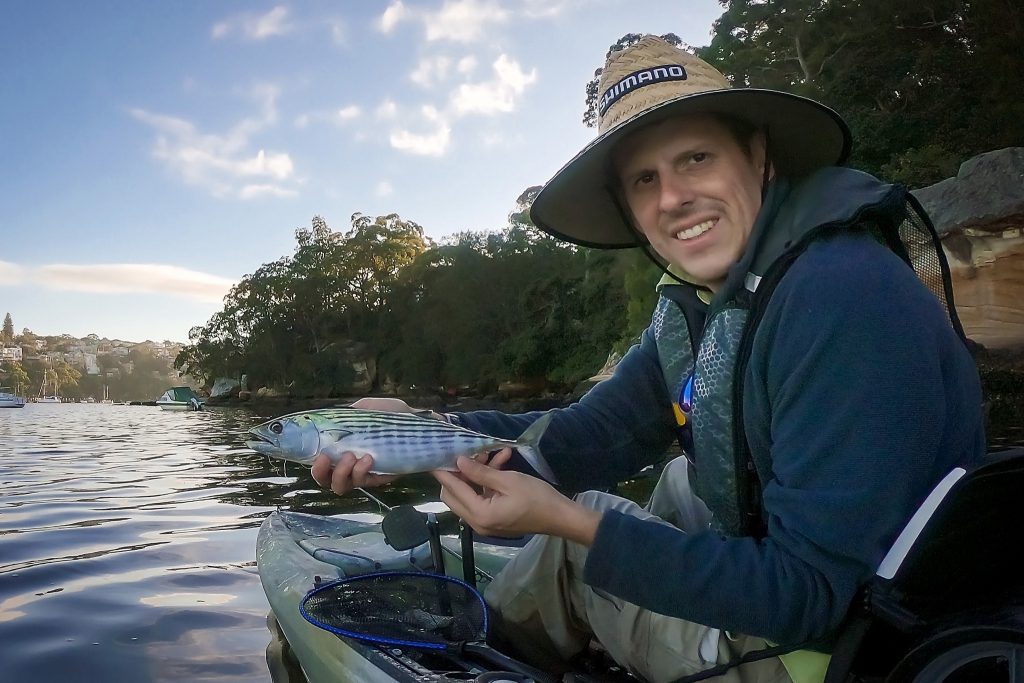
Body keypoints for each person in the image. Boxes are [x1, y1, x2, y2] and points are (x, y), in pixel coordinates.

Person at [312, 36, 985, 683]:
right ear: (630, 208)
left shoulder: (840, 293)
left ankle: (483, 655)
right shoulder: (703, 304)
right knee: (676, 485)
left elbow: (806, 594)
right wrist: (416, 430)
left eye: (696, 158)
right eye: (644, 178)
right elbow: (582, 437)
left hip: (841, 653)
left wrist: (569, 521)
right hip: (827, 611)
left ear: (759, 155)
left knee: (577, 541)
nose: (671, 198)